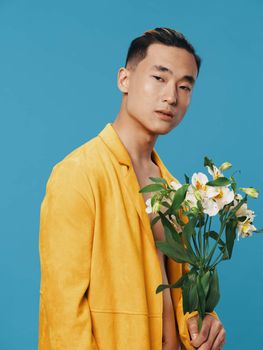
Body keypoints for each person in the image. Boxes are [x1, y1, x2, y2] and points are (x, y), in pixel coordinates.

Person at [38, 27, 226, 350]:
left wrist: (205, 321)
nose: (172, 97)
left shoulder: (173, 190)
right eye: (159, 78)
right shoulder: (77, 175)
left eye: (185, 86)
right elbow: (64, 313)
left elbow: (178, 291)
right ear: (124, 80)